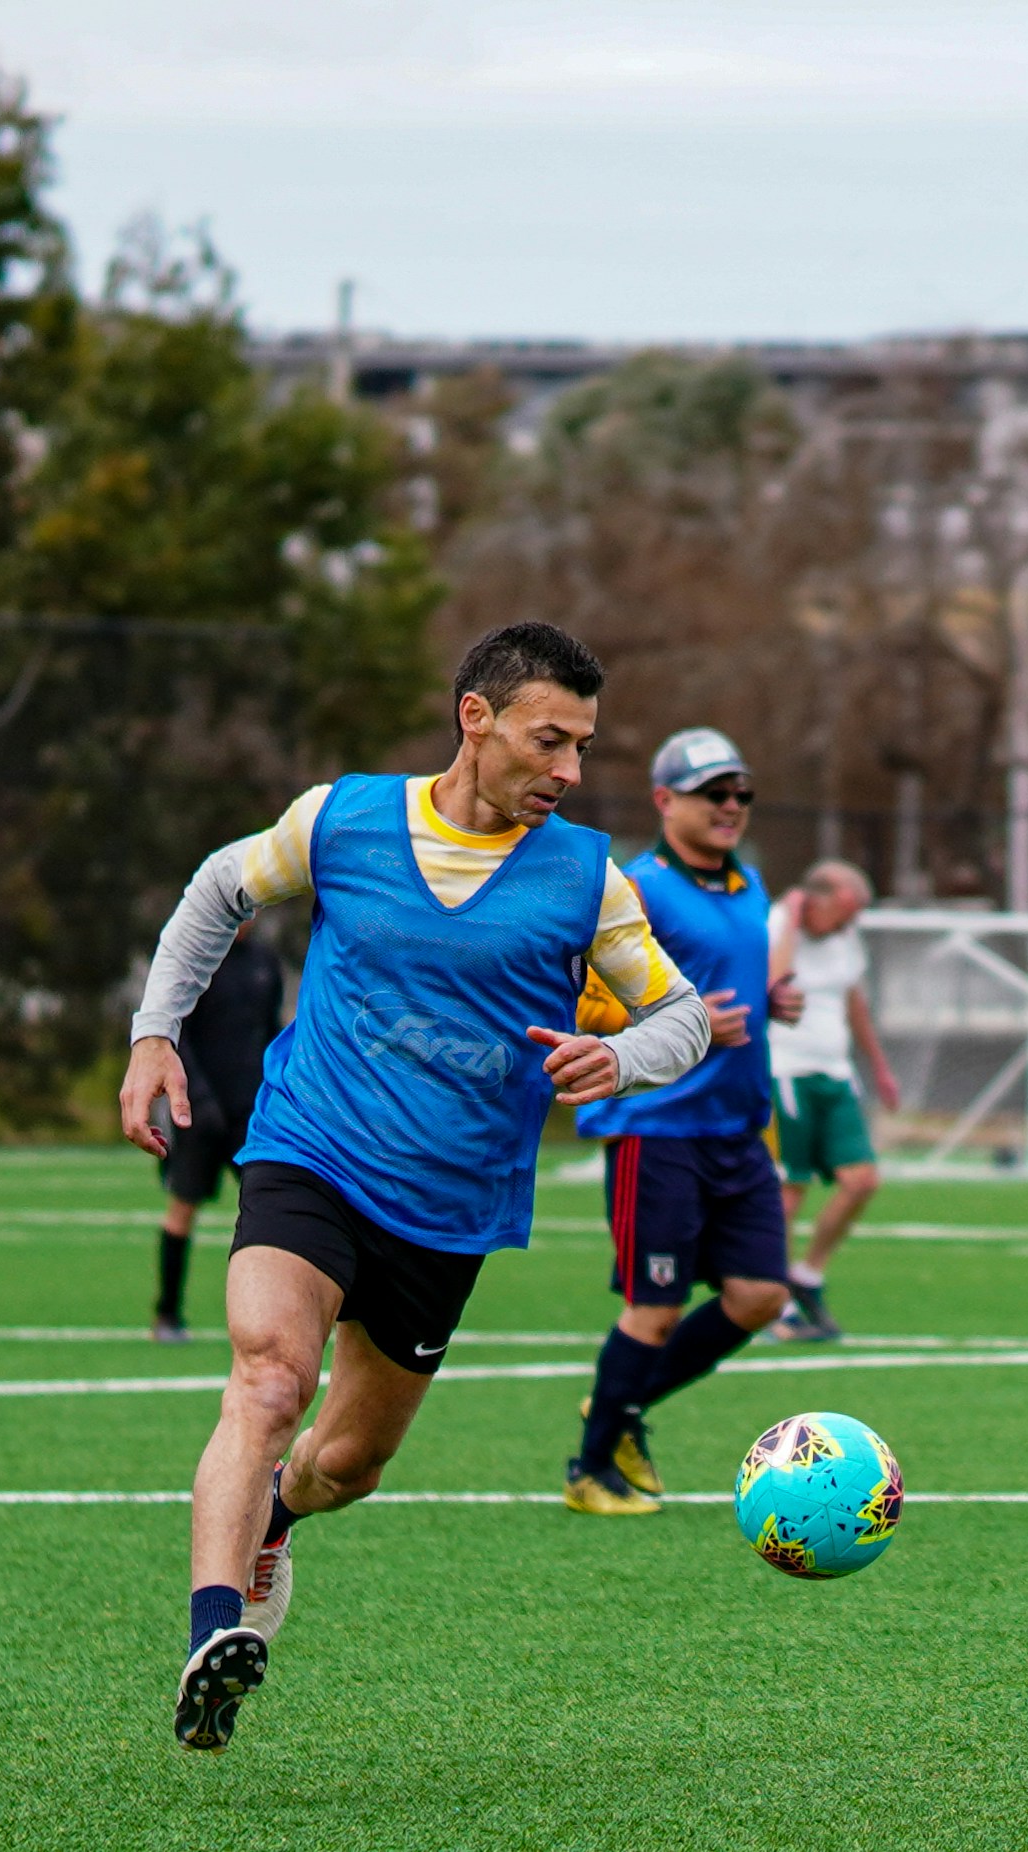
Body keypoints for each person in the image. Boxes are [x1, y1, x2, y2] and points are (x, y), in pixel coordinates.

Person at [120, 622, 710, 1751]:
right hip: (312, 1154)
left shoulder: (587, 878)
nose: (570, 771)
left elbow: (679, 1013)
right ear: (476, 719)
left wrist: (621, 1058)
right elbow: (216, 890)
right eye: (552, 740)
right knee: (268, 1374)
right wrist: (156, 1035)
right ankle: (212, 1629)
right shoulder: (340, 820)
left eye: (584, 747)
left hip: (449, 1209)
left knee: (350, 1461)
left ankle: (277, 1520)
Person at [562, 728, 805, 1515]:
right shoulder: (636, 889)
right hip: (656, 1128)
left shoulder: (749, 885)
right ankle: (588, 1471)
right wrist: (696, 1023)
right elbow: (594, 998)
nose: (731, 807)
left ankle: (618, 1403)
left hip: (737, 1127)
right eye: (713, 794)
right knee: (655, 1307)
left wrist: (768, 1002)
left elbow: (726, 979)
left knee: (762, 1295)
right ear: (665, 801)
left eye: (741, 794)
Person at [765, 859, 899, 1341]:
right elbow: (772, 988)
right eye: (845, 911)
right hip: (786, 1070)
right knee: (789, 1191)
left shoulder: (844, 938)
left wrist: (879, 1066)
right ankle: (776, 1302)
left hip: (835, 1072)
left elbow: (853, 1000)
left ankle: (808, 1275)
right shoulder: (779, 924)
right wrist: (793, 922)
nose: (850, 923)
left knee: (862, 1179)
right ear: (814, 900)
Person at [149, 917, 283, 1344]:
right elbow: (178, 1036)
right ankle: (167, 1313)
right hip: (198, 1115)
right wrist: (198, 1100)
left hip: (252, 1115)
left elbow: (272, 1031)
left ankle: (271, 1319)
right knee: (182, 1210)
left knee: (273, 1210)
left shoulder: (265, 963)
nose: (246, 918)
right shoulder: (196, 962)